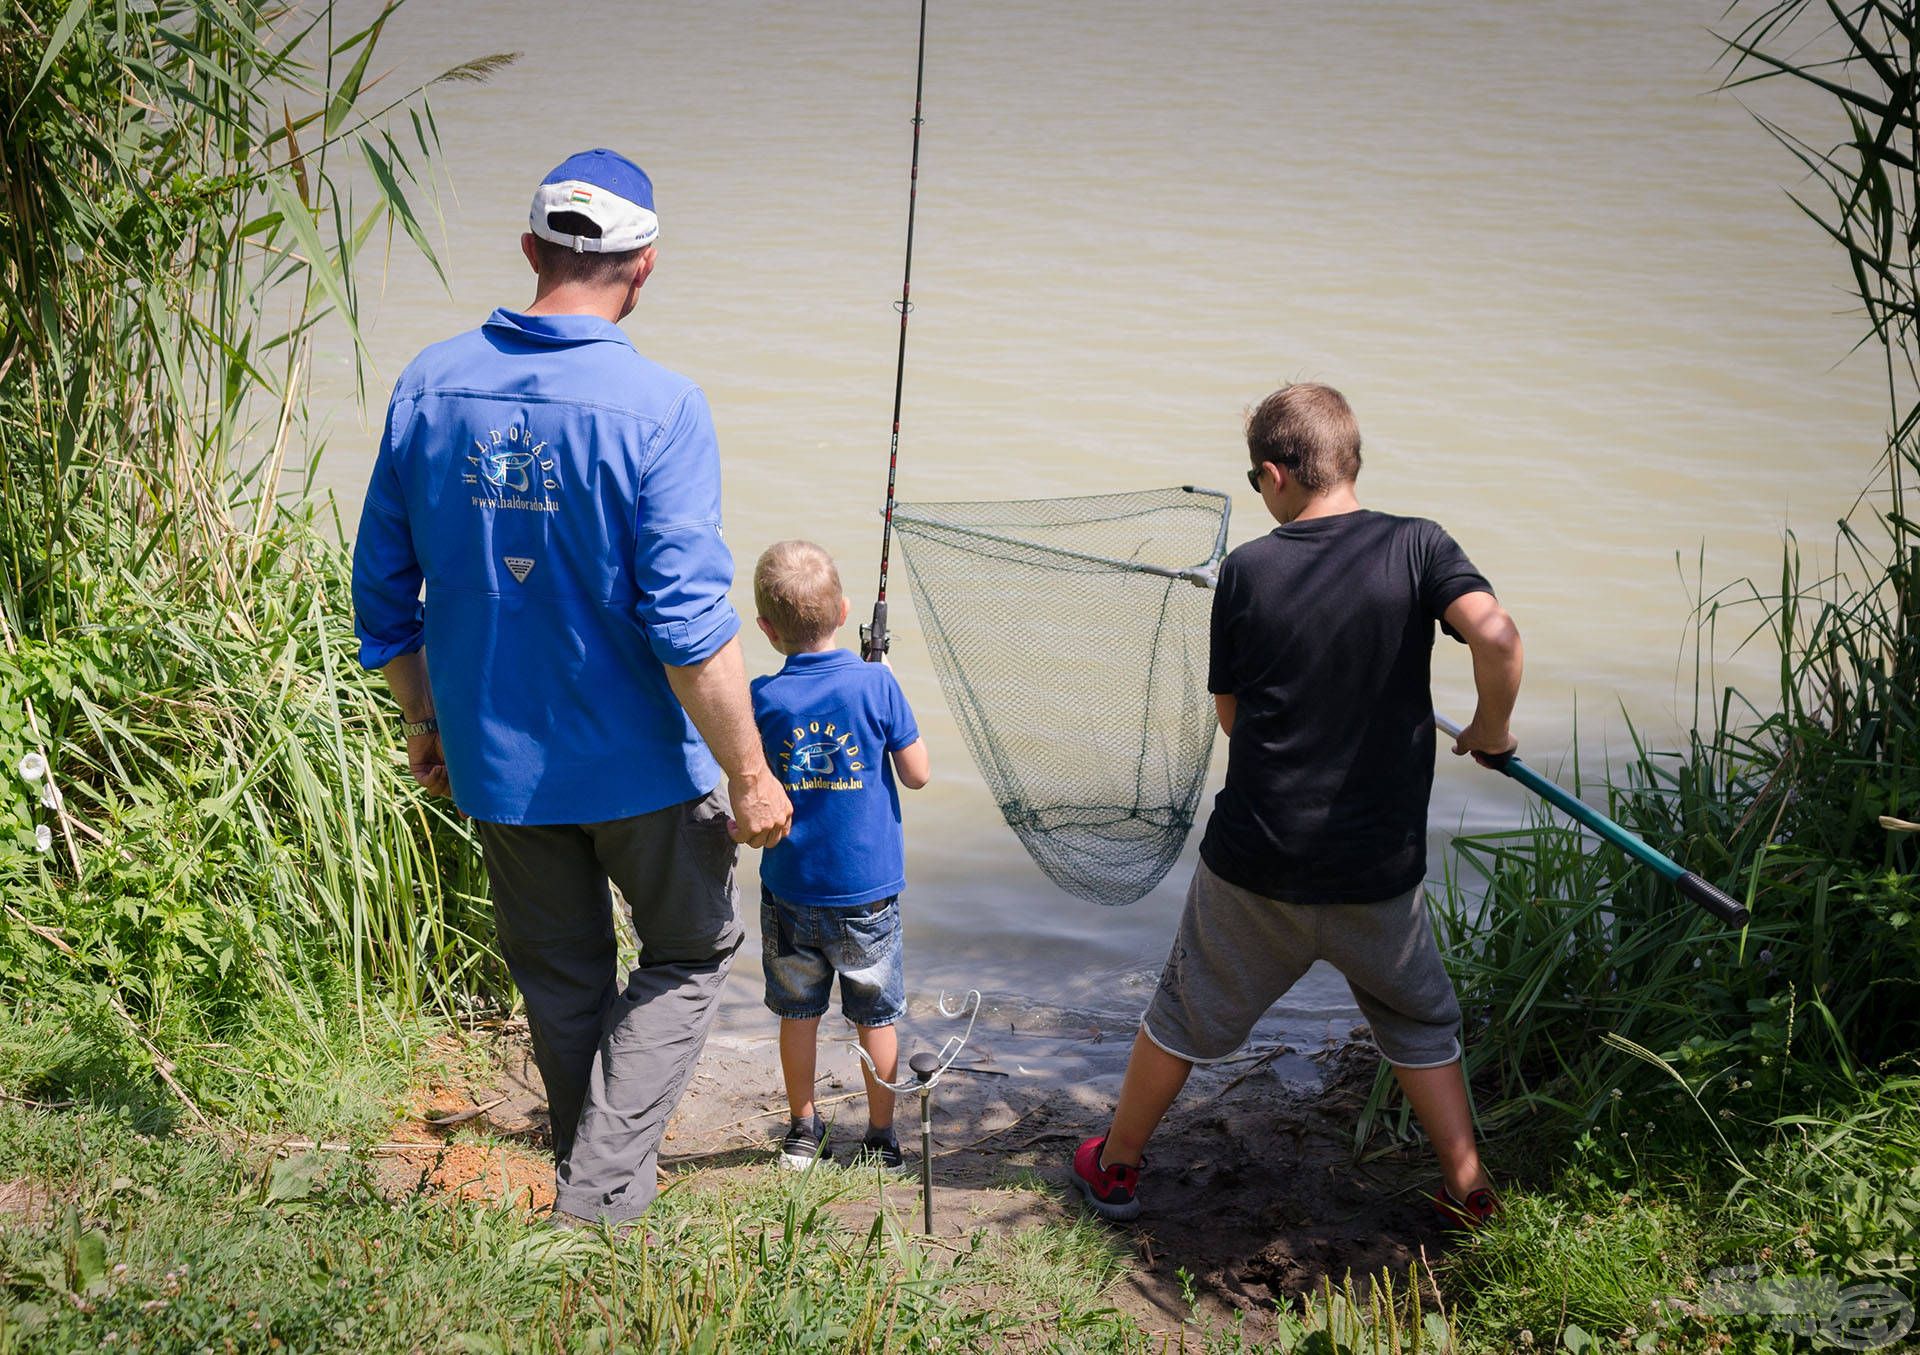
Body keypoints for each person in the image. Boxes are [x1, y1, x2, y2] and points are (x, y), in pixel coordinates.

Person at [351, 148, 792, 1228]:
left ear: (528, 251)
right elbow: (688, 624)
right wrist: (750, 768)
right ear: (645, 267)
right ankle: (596, 1202)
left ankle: (590, 1182)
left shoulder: (429, 381)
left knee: (562, 979)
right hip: (641, 762)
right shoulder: (661, 406)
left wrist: (424, 719)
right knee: (691, 953)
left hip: (498, 760)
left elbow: (383, 593)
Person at [1070, 382, 1522, 1228]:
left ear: (1276, 474)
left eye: (1254, 480)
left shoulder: (1247, 569)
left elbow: (1235, 718)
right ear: (1349, 460)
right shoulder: (1419, 546)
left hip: (1257, 863)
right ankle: (1469, 1186)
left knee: (1181, 1011)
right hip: (1377, 872)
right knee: (1422, 1023)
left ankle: (1118, 1166)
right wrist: (1491, 729)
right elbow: (1496, 635)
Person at [747, 540, 930, 1170]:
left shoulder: (761, 699)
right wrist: (879, 695)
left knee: (798, 1013)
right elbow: (919, 774)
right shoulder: (876, 682)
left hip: (791, 890)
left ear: (767, 630)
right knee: (874, 1016)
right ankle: (881, 1139)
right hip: (867, 896)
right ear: (845, 608)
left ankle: (803, 1131)